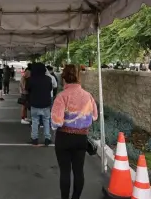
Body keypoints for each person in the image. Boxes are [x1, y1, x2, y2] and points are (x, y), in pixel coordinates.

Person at [51, 65, 98, 199]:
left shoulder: (61, 96)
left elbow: (56, 122)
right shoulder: (88, 96)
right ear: (79, 78)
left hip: (64, 137)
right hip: (81, 138)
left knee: (65, 172)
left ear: (64, 78)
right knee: (78, 171)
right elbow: (94, 116)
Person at [26, 62, 53, 146]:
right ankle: (47, 138)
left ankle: (34, 138)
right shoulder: (48, 79)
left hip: (34, 103)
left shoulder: (30, 79)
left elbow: (27, 89)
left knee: (35, 121)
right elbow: (50, 89)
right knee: (46, 121)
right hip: (46, 103)